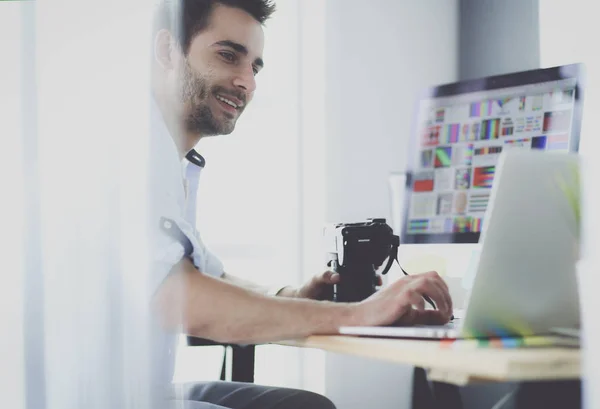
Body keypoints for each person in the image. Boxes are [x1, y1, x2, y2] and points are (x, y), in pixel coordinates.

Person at [148, 0, 453, 408]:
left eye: (254, 67)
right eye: (228, 55)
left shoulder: (173, 163)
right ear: (168, 50)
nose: (246, 83)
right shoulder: (132, 155)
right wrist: (358, 316)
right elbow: (179, 299)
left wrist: (294, 295)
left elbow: (207, 280)